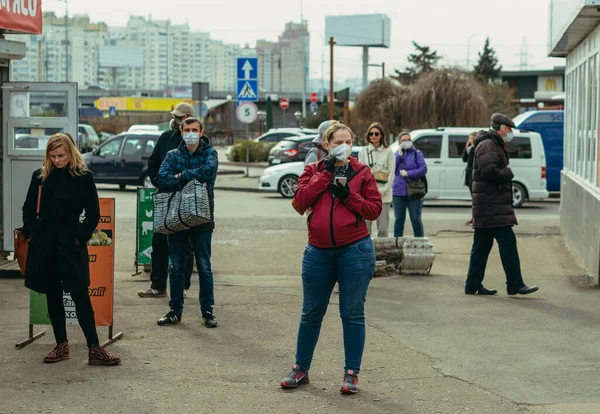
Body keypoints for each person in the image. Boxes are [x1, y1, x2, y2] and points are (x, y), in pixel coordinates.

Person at [282, 123, 382, 394]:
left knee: (352, 313)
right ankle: (300, 369)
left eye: (349, 140)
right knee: (311, 313)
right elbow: (299, 202)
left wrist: (349, 196)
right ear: (327, 145)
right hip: (318, 252)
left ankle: (351, 374)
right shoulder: (313, 169)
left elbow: (374, 209)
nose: (345, 145)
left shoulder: (362, 171)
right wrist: (325, 174)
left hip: (355, 251)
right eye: (339, 141)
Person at [22, 133, 120, 365]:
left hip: (70, 244)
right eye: (53, 156)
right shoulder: (40, 177)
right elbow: (28, 209)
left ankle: (95, 348)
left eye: (61, 155)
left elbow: (93, 214)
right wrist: (33, 233)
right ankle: (61, 345)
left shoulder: (83, 177)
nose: (57, 160)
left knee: (80, 296)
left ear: (70, 152)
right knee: (53, 295)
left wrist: (78, 239)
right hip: (45, 244)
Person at [465, 113, 539, 296]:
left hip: (490, 206)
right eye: (509, 129)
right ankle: (515, 284)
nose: (511, 132)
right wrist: (508, 173)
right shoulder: (488, 144)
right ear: (499, 128)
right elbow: (489, 172)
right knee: (508, 246)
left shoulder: (491, 143)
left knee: (481, 248)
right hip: (492, 207)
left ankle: (472, 285)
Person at [156, 118, 219, 327]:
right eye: (187, 130)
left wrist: (181, 175)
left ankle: (208, 311)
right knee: (177, 267)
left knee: (204, 266)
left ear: (201, 133)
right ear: (181, 132)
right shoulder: (172, 155)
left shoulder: (210, 153)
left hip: (202, 219)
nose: (190, 133)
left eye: (194, 130)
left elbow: (208, 173)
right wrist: (191, 178)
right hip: (176, 218)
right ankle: (175, 310)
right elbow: (162, 178)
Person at [139, 102, 194, 299]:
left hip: (186, 199)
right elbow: (153, 163)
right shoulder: (165, 138)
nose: (176, 120)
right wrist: (157, 181)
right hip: (165, 197)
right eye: (175, 117)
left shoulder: (197, 141)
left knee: (186, 245)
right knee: (160, 242)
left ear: (188, 117)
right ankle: (158, 285)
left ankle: (183, 287)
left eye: (179, 117)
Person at [358, 122, 395, 238]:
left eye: (376, 134)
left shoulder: (388, 151)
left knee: (383, 230)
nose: (373, 136)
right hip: (367, 196)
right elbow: (360, 174)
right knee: (365, 229)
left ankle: (382, 254)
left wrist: (383, 190)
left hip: (383, 195)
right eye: (371, 134)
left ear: (381, 136)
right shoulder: (363, 151)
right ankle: (366, 254)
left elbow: (391, 173)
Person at [392, 132, 427, 238]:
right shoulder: (396, 154)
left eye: (408, 140)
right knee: (399, 219)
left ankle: (420, 242)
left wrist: (409, 173)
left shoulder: (417, 153)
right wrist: (399, 156)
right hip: (398, 191)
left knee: (416, 218)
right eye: (404, 140)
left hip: (414, 190)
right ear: (399, 143)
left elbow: (423, 169)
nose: (407, 142)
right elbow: (392, 168)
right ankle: (396, 243)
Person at [462, 131, 479, 226]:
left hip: (474, 174)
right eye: (469, 138)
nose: (470, 140)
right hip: (469, 173)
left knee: (476, 198)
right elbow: (464, 159)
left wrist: (472, 147)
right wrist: (466, 148)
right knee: (473, 198)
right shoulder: (469, 149)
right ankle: (473, 217)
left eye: (472, 138)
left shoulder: (477, 148)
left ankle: (476, 218)